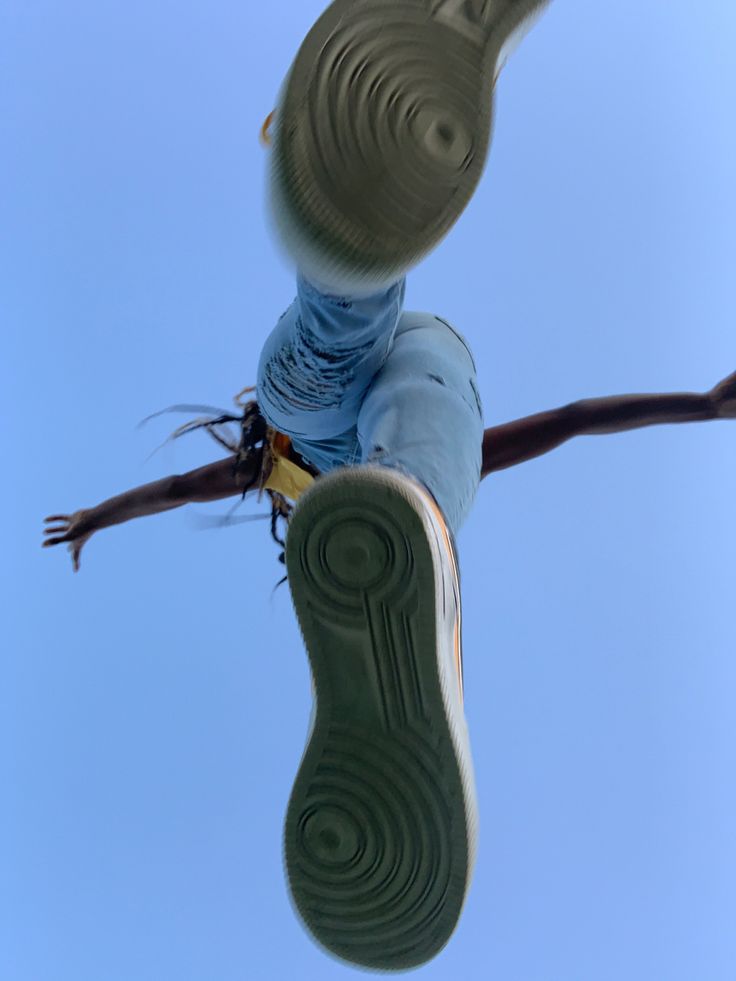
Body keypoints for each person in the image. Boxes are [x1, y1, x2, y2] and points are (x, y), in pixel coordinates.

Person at [42, 0, 736, 970]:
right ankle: (404, 485)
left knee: (334, 366)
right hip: (415, 400)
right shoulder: (331, 462)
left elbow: (183, 490)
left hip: (356, 390)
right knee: (418, 442)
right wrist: (697, 407)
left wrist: (103, 517)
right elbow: (574, 420)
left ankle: (341, 230)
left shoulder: (271, 464)